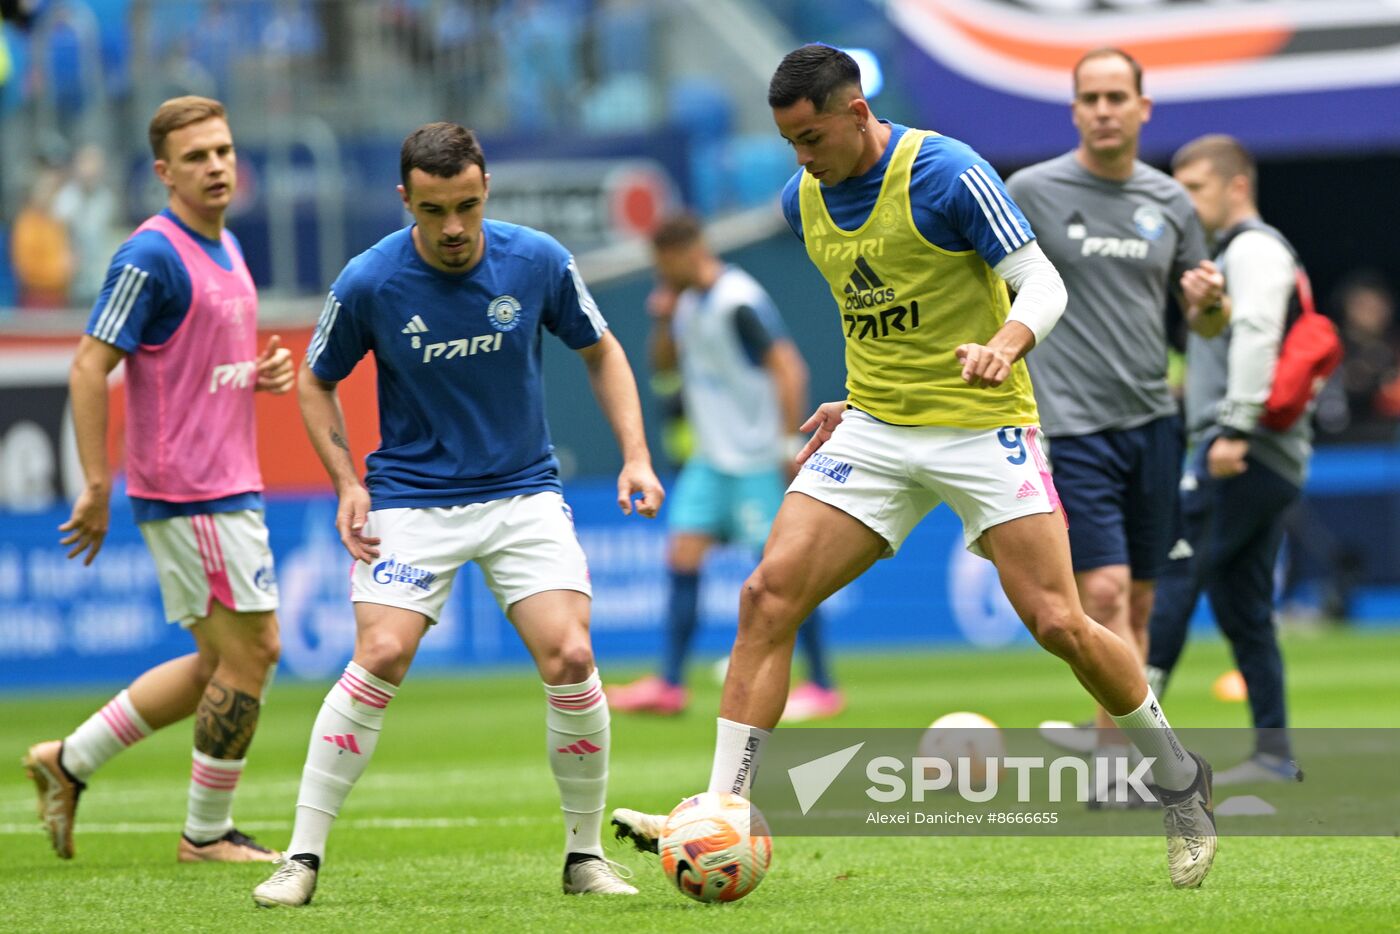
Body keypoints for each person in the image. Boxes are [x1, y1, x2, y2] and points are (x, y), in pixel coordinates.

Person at [612, 44, 1218, 889]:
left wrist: (1006, 344)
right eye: (790, 142)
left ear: (857, 114)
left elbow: (1040, 284)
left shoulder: (948, 173)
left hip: (982, 424)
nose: (802, 159)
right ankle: (722, 811)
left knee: (1059, 623)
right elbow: (877, 318)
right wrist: (850, 398)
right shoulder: (801, 200)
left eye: (812, 138)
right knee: (766, 596)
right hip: (877, 429)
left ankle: (1182, 782)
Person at [252, 122, 665, 908]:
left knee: (572, 658)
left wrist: (636, 455)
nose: (453, 228)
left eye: (468, 207)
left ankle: (584, 860)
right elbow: (314, 381)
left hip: (523, 494)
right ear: (404, 198)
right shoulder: (370, 281)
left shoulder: (538, 260)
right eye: (435, 209)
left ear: (486, 195)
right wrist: (346, 481)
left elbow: (603, 349)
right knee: (379, 654)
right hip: (412, 498)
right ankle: (300, 859)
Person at [23, 96, 292, 863]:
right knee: (256, 651)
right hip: (190, 490)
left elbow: (200, 364)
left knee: (219, 662)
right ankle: (205, 835)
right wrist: (97, 483)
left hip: (226, 483)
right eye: (198, 156)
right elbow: (89, 364)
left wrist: (258, 375)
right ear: (163, 171)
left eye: (224, 151)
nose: (215, 166)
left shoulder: (227, 246)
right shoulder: (151, 255)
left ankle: (67, 761)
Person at [1006, 48, 1228, 769]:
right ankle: (1141, 766)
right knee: (1098, 591)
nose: (1103, 109)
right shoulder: (1031, 191)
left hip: (1153, 423)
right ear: (1075, 111)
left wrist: (1211, 308)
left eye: (1116, 97)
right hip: (1070, 425)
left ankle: (1111, 753)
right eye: (1090, 98)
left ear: (1142, 108)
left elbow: (1203, 326)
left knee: (1136, 604)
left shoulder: (1170, 203)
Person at [605, 214, 843, 721]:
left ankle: (822, 685)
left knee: (781, 576)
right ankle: (670, 684)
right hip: (711, 461)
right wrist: (663, 317)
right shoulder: (686, 303)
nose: (660, 273)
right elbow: (664, 367)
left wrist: (785, 447)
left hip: (756, 460)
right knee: (682, 556)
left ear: (690, 252)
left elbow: (789, 369)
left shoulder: (739, 301)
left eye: (664, 264)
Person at [1147, 134, 1318, 784]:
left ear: (1235, 185)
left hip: (1240, 453)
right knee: (1244, 609)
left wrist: (1234, 427)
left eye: (1194, 189)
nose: (1184, 205)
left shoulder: (1253, 249)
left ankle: (1132, 750)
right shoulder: (1235, 255)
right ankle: (1275, 756)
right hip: (1255, 452)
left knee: (1173, 583)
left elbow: (1257, 336)